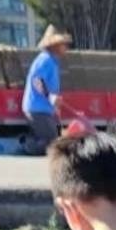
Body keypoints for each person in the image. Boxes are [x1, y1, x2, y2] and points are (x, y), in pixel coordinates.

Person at [21, 25, 72, 156]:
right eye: (63, 44)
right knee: (53, 142)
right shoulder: (45, 60)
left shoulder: (53, 61)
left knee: (57, 137)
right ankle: (26, 146)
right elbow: (37, 81)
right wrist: (50, 97)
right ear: (55, 45)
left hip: (44, 109)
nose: (66, 47)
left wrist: (54, 103)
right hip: (37, 109)